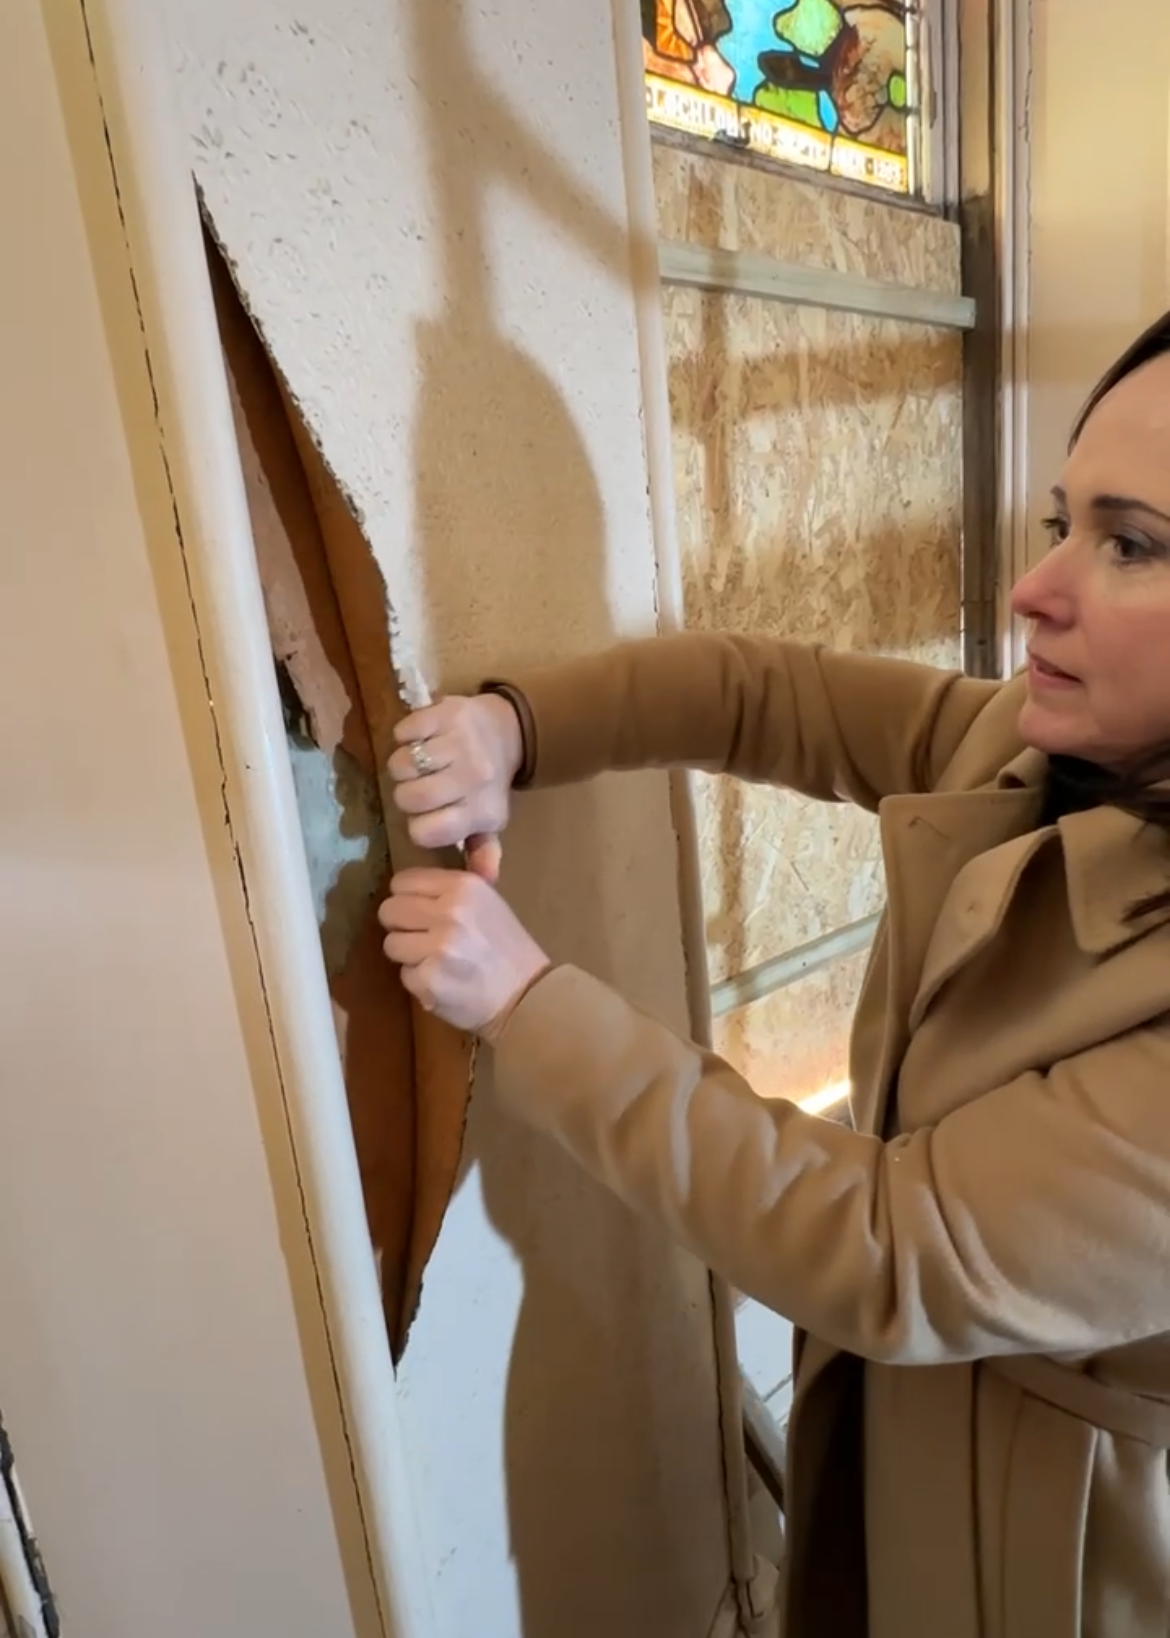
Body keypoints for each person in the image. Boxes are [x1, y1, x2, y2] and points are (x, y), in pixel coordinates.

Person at [378, 313, 1170, 1638]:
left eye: (1131, 542)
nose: (1036, 589)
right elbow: (764, 695)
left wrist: (528, 1000)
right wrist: (517, 723)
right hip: (905, 1442)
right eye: (1059, 521)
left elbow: (896, 1245)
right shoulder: (1027, 749)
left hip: (1070, 1558)